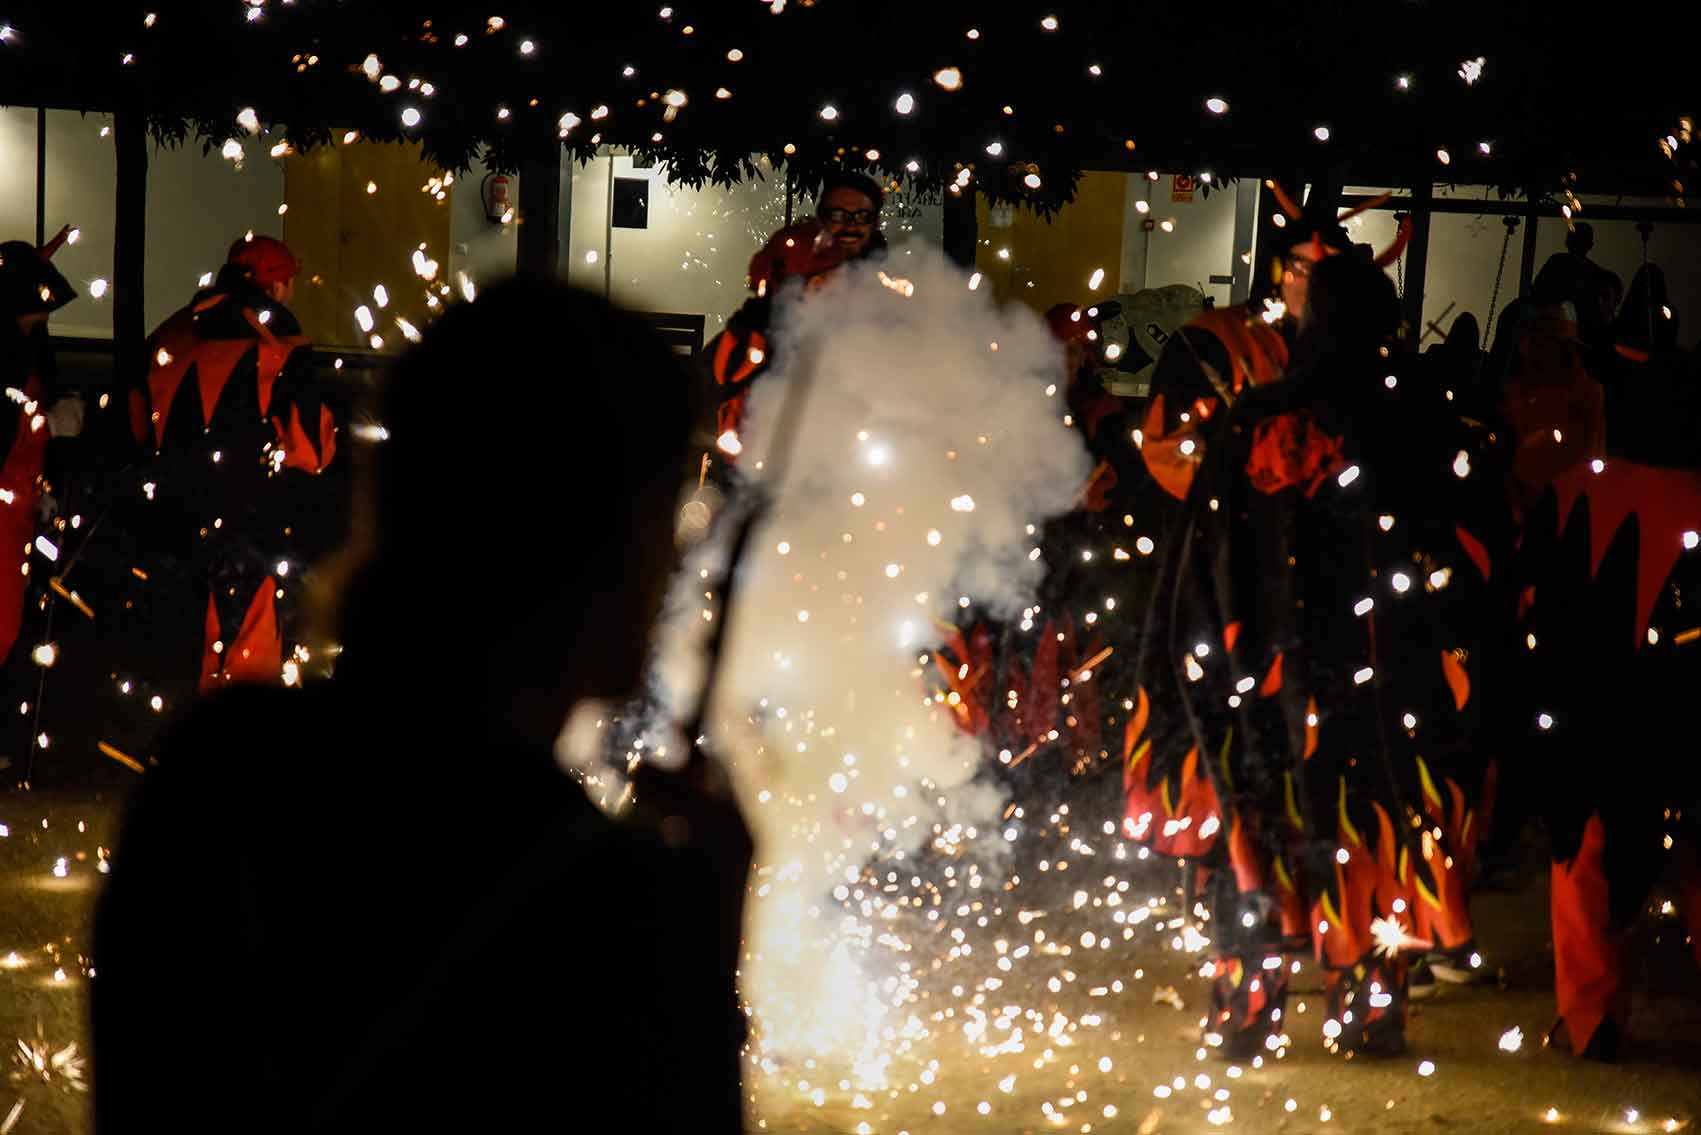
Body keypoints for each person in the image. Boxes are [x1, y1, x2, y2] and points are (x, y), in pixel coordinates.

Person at [92, 279, 752, 1132]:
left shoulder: (211, 771)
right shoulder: (607, 899)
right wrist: (697, 944)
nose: (673, 564)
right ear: (594, 538)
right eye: (666, 516)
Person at [1134, 254, 1499, 1058]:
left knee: (1259, 834)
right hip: (1381, 685)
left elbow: (1203, 559)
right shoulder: (1418, 418)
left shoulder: (1256, 415)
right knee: (1373, 835)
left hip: (1267, 674)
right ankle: (1371, 1008)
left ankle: (1246, 1008)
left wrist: (1188, 663)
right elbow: (1463, 554)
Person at [1514, 343, 1701, 1061]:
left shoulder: (1573, 492)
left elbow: (1531, 604)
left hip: (1591, 715)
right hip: (1683, 713)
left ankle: (1590, 1017)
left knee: (1583, 851)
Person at [120, 235, 336, 716]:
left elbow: (136, 423)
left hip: (170, 519)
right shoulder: (277, 340)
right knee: (246, 650)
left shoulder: (174, 331)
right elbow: (312, 448)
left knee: (188, 642)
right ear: (278, 285)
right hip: (247, 520)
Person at [707, 171, 887, 449]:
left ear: (874, 221)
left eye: (862, 215)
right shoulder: (767, 308)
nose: (850, 225)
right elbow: (721, 377)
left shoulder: (888, 288)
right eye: (839, 214)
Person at [0, 232, 83, 668]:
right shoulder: (5, 348)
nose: (43, 322)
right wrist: (47, 427)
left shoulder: (25, 346)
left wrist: (38, 489)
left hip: (16, 513)